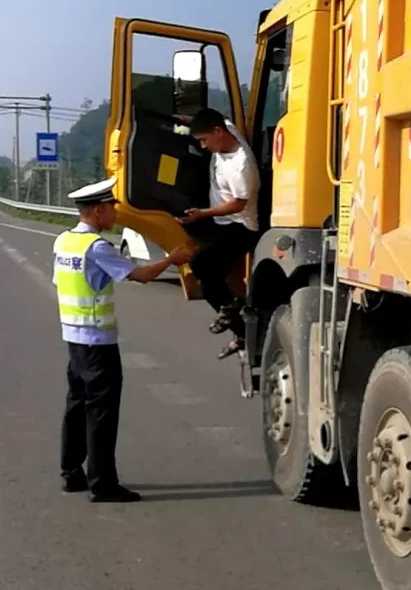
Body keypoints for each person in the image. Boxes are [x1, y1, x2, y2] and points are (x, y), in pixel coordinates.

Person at [54, 177, 190, 502]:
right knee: (101, 413)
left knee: (76, 405)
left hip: (73, 338)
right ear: (98, 211)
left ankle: (70, 472)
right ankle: (102, 484)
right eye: (112, 208)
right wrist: (173, 259)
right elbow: (140, 275)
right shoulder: (97, 248)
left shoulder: (63, 241)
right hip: (98, 342)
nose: (115, 213)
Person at [176, 108, 260, 359]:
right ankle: (236, 317)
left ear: (217, 133)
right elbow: (219, 118)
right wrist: (191, 120)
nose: (203, 146)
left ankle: (234, 314)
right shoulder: (226, 131)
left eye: (204, 140)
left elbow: (238, 204)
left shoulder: (241, 165)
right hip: (222, 221)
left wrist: (202, 213)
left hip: (240, 226)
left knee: (201, 267)